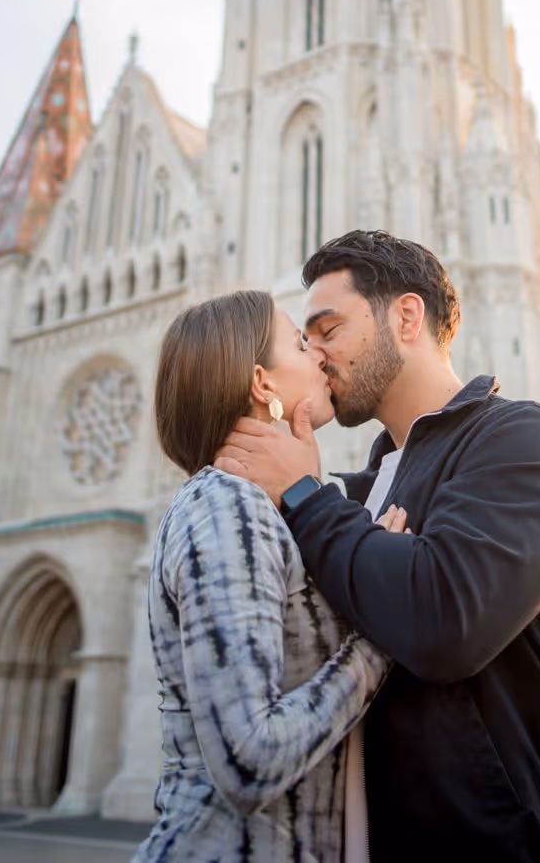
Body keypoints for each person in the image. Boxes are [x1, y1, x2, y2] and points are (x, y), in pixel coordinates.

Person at [216, 231, 540, 862]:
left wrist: (307, 498)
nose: (317, 355)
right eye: (305, 341)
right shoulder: (359, 493)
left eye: (329, 329)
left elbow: (446, 619)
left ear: (407, 317)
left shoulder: (526, 442)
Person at [133, 288, 398, 863]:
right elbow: (249, 760)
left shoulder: (262, 508)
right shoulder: (225, 506)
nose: (321, 355)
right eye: (302, 344)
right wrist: (381, 640)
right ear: (263, 384)